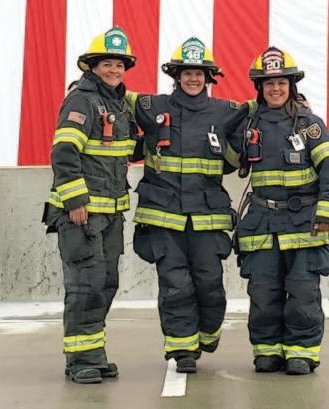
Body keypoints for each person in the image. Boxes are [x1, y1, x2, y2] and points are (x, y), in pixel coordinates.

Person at [227, 47, 329, 374]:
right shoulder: (250, 124)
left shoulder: (309, 125)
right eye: (269, 83)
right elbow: (226, 154)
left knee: (303, 291)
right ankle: (267, 350)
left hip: (304, 223)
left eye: (281, 82)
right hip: (262, 222)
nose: (275, 88)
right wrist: (240, 113)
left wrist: (328, 211)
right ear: (260, 88)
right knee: (263, 292)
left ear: (291, 86)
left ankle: (301, 352)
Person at [126, 37, 240, 373]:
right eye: (187, 73)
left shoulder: (226, 111)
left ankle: (207, 335)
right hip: (163, 217)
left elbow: (263, 110)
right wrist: (81, 89)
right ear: (176, 76)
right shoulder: (151, 106)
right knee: (175, 286)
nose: (193, 79)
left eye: (199, 73)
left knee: (210, 285)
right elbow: (113, 94)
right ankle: (182, 349)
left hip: (207, 218)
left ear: (209, 78)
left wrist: (298, 106)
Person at [42, 27, 138, 384]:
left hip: (110, 214)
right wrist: (75, 200)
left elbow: (124, 152)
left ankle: (94, 355)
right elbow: (64, 151)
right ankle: (80, 360)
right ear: (93, 66)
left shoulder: (117, 104)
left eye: (119, 64)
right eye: (107, 64)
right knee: (85, 286)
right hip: (82, 214)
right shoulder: (82, 100)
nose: (114, 70)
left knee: (105, 283)